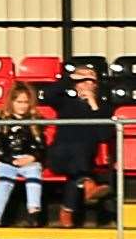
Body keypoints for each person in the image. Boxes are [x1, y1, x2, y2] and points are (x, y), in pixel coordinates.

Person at [39, 66, 115, 227]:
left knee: (77, 172)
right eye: (82, 80)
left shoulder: (103, 108)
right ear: (75, 84)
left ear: (96, 85)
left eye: (91, 80)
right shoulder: (64, 102)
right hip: (59, 155)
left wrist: (94, 105)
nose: (87, 83)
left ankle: (72, 205)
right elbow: (47, 95)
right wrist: (70, 77)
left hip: (82, 158)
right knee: (80, 163)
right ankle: (86, 186)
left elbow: (104, 135)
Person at [0, 82, 46, 239]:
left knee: (34, 173)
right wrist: (10, 159)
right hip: (7, 160)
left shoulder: (34, 121)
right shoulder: (2, 121)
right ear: (11, 102)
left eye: (25, 102)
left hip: (28, 159)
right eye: (19, 102)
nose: (22, 106)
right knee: (2, 185)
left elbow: (40, 145)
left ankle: (33, 211)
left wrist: (32, 157)